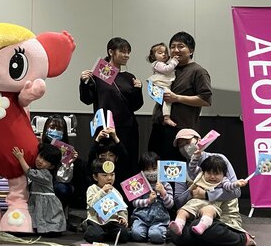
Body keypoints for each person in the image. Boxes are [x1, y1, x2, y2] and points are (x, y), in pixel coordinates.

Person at [169, 129, 255, 246]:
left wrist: (206, 194)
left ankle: (242, 238)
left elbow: (236, 192)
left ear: (199, 140)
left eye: (188, 142)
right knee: (179, 235)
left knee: (204, 228)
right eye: (181, 146)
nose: (185, 148)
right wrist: (191, 192)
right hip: (193, 212)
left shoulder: (218, 160)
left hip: (221, 215)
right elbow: (178, 202)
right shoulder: (181, 168)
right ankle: (206, 239)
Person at [79, 37, 143, 182]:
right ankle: (104, 193)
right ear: (111, 52)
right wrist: (84, 82)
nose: (126, 55)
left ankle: (127, 195)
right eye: (123, 51)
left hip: (128, 128)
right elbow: (86, 99)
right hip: (105, 127)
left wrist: (138, 89)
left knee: (128, 163)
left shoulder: (129, 77)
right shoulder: (98, 75)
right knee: (104, 164)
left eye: (128, 52)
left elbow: (136, 105)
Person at [148, 32, 212, 161]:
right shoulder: (168, 69)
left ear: (191, 50)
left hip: (182, 132)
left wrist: (177, 98)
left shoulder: (198, 72)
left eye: (181, 46)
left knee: (176, 168)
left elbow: (205, 100)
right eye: (172, 47)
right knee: (154, 165)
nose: (176, 50)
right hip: (159, 126)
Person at [11, 143, 66, 236]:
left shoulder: (46, 174)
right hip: (38, 199)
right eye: (40, 156)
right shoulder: (41, 171)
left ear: (51, 166)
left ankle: (51, 230)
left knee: (47, 219)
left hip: (46, 202)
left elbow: (30, 173)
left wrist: (20, 158)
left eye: (45, 160)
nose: (40, 161)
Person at [39, 114, 87, 212]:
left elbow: (64, 179)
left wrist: (69, 162)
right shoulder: (39, 147)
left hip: (59, 181)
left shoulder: (66, 150)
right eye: (52, 127)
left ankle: (58, 213)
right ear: (46, 129)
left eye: (59, 129)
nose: (55, 131)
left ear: (64, 132)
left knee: (62, 189)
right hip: (39, 179)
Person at [130, 152, 173, 244]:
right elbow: (134, 202)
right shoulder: (139, 184)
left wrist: (163, 192)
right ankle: (145, 232)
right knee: (136, 234)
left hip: (159, 220)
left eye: (154, 169)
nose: (151, 172)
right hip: (141, 219)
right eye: (147, 169)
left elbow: (170, 205)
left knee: (155, 236)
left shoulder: (166, 184)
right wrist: (148, 201)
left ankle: (158, 232)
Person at [84, 158, 130, 244]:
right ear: (95, 177)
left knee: (124, 235)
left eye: (112, 175)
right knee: (95, 236)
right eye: (104, 175)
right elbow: (91, 204)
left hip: (112, 221)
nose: (109, 178)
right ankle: (87, 228)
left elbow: (122, 207)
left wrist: (123, 217)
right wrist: (102, 192)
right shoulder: (92, 189)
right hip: (96, 221)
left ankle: (106, 234)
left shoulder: (115, 191)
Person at [147, 43, 179, 127]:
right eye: (160, 53)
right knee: (168, 98)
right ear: (153, 56)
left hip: (163, 84)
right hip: (159, 85)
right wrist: (174, 61)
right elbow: (167, 70)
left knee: (167, 99)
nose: (164, 54)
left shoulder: (163, 63)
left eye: (165, 52)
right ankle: (166, 117)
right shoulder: (157, 64)